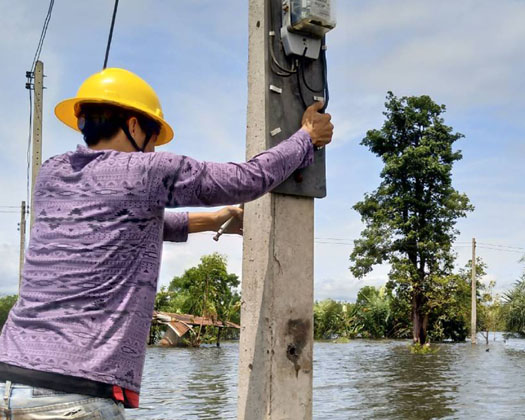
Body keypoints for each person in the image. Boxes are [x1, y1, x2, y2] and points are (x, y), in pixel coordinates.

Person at [0, 68, 333, 419]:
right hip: (75, 393)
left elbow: (127, 224)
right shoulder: (147, 171)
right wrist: (305, 138)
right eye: (154, 135)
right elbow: (245, 180)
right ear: (133, 126)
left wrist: (214, 220)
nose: (156, 147)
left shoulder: (51, 173)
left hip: (7, 382)